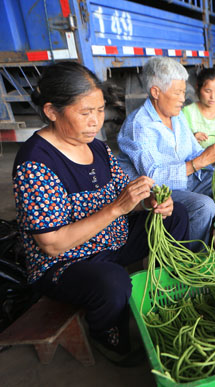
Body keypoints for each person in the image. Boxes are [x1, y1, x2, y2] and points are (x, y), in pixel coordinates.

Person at [12, 62, 190, 366]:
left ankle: (168, 291)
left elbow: (124, 198)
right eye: (85, 113)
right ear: (52, 111)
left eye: (100, 110)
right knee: (113, 283)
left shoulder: (96, 147)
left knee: (178, 215)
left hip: (113, 240)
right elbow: (52, 244)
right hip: (66, 264)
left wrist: (148, 203)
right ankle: (107, 335)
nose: (96, 121)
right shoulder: (35, 164)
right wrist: (116, 210)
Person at [116, 58, 215, 249]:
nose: (182, 99)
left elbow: (195, 152)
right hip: (158, 193)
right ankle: (190, 261)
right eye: (177, 93)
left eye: (183, 92)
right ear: (155, 92)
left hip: (187, 182)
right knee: (203, 206)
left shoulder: (177, 118)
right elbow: (154, 177)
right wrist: (199, 162)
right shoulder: (139, 126)